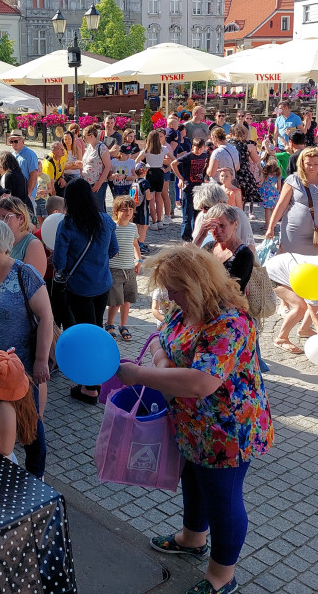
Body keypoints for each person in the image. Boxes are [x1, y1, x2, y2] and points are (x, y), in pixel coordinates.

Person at [115, 245, 272, 594]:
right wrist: (162, 362)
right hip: (191, 421)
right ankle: (192, 538)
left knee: (223, 499)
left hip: (227, 428)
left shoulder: (230, 320)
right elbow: (161, 339)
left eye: (175, 288)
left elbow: (202, 382)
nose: (169, 295)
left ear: (197, 283)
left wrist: (143, 374)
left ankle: (221, 576)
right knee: (194, 480)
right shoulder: (184, 307)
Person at [0, 219, 52, 477]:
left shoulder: (24, 274)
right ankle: (1, 472)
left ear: (4, 245)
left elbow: (46, 317)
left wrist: (40, 360)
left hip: (22, 368)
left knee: (31, 428)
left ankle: (36, 478)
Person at [54, 179, 118, 403]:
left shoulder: (67, 225)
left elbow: (59, 262)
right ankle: (94, 376)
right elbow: (115, 249)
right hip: (102, 284)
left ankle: (90, 387)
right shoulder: (106, 220)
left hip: (79, 288)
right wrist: (96, 262)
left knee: (85, 333)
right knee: (96, 327)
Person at [266, 147, 318, 255]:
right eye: (308, 164)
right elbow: (281, 205)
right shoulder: (293, 179)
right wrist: (271, 227)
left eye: (316, 164)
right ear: (302, 163)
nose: (312, 167)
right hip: (293, 231)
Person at [105, 196, 142, 342]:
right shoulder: (113, 227)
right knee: (116, 300)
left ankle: (123, 325)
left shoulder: (133, 228)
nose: (127, 212)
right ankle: (109, 324)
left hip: (129, 269)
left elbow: (135, 245)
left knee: (127, 299)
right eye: (124, 210)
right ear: (116, 211)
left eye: (130, 209)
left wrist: (138, 260)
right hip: (115, 268)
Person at [195, 204, 254, 293]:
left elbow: (230, 290)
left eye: (222, 226)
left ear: (235, 224)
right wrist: (201, 236)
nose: (217, 231)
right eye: (213, 226)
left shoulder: (244, 254)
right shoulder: (210, 246)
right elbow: (187, 265)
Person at [0, 195, 47, 277]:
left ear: (21, 219)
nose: (1, 222)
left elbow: (32, 283)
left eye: (6, 217)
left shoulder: (33, 244)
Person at [175, 138, 210, 241]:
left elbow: (207, 166)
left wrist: (206, 176)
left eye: (200, 148)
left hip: (200, 188)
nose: (198, 150)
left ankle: (195, 235)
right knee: (187, 215)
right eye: (196, 148)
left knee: (198, 213)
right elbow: (174, 164)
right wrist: (180, 178)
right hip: (188, 188)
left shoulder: (204, 156)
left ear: (204, 148)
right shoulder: (188, 156)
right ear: (192, 147)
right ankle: (186, 237)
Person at [137, 129, 172, 230]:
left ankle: (154, 221)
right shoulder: (163, 148)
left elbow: (137, 161)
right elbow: (174, 160)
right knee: (159, 197)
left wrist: (143, 169)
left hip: (150, 173)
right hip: (160, 173)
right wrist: (167, 170)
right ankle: (160, 221)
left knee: (151, 199)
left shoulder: (146, 149)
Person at [229, 123, 262, 207]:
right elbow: (256, 160)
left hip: (229, 174)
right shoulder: (249, 145)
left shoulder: (227, 144)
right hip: (243, 175)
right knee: (241, 201)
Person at [81, 126, 112, 212]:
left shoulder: (102, 148)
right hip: (87, 182)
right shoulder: (89, 147)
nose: (83, 139)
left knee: (98, 208)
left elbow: (107, 166)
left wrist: (99, 183)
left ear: (91, 136)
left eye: (85, 136)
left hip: (97, 183)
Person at [7, 131, 41, 204]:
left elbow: (34, 175)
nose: (13, 144)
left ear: (22, 141)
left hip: (26, 194)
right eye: (11, 142)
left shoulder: (30, 155)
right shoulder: (12, 155)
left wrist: (28, 194)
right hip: (16, 194)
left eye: (15, 141)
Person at [259, 157, 282, 227]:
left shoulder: (265, 174)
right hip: (274, 193)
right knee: (273, 210)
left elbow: (261, 182)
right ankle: (272, 225)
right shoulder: (277, 175)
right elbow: (279, 186)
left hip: (265, 193)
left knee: (267, 210)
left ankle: (267, 225)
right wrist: (277, 193)